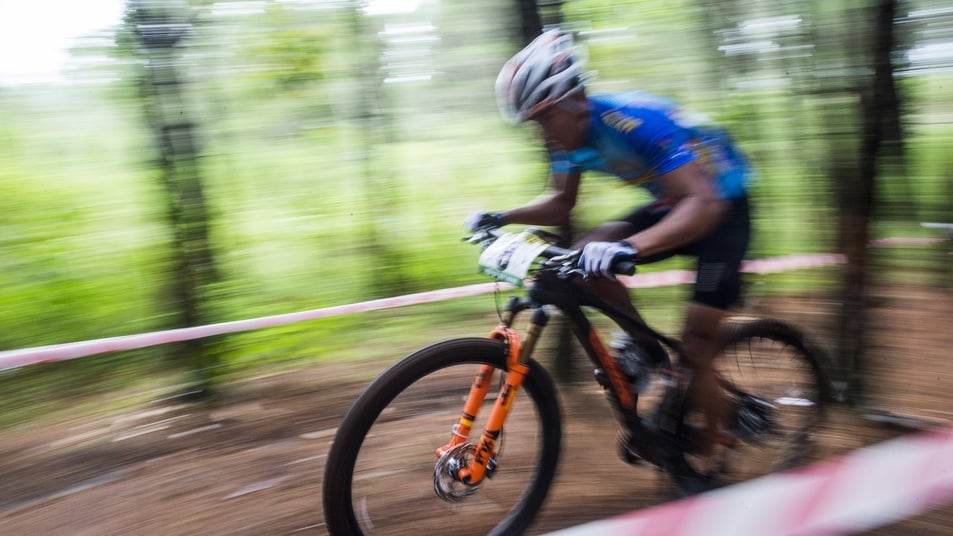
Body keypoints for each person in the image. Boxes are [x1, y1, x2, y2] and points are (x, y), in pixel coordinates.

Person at [469, 29, 754, 494]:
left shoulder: (632, 121)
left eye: (545, 117)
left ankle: (715, 456)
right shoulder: (568, 138)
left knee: (699, 343)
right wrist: (500, 216)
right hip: (675, 202)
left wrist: (631, 249)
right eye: (533, 122)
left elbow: (703, 203)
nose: (543, 131)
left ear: (574, 97)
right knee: (585, 254)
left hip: (722, 207)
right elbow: (560, 204)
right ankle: (645, 347)